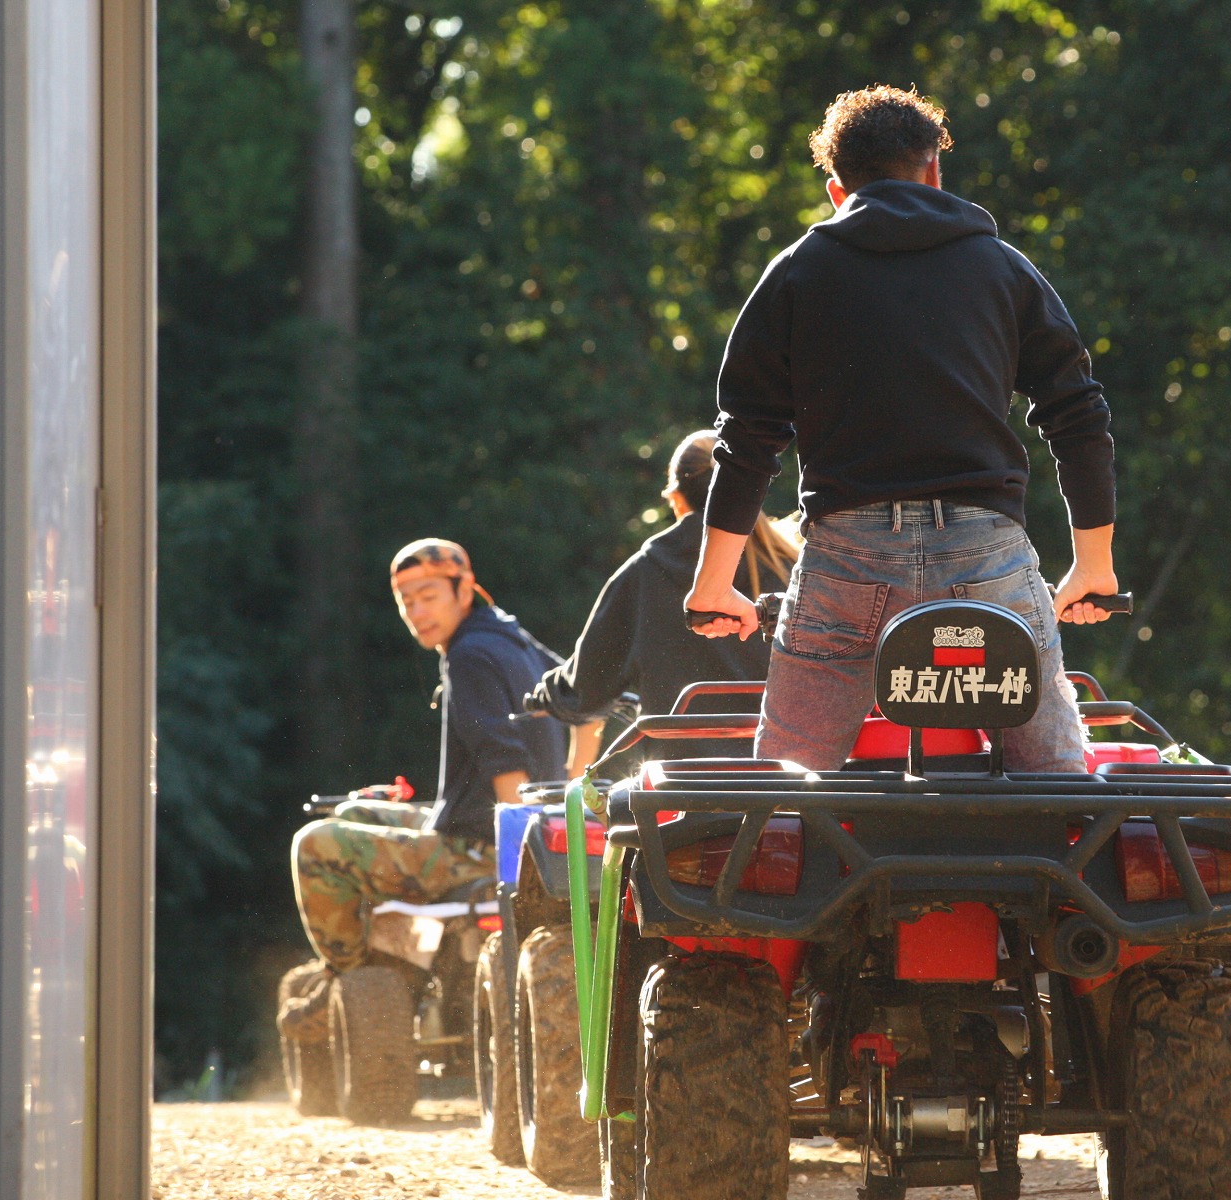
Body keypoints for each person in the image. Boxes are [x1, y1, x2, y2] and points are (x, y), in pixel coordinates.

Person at [686, 85, 1118, 772]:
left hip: (845, 560)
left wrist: (713, 585)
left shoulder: (796, 273)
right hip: (987, 556)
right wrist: (1093, 567)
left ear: (836, 191)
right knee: (1057, 783)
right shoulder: (1004, 269)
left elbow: (748, 439)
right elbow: (1078, 415)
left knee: (786, 788)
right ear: (934, 171)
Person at [278, 539, 568, 1040]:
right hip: (504, 826)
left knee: (315, 845)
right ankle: (387, 961)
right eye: (406, 601)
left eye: (429, 596)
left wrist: (520, 863)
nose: (416, 612)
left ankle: (351, 979)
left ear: (463, 590)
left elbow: (504, 759)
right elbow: (585, 707)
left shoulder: (469, 656)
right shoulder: (514, 639)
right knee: (356, 812)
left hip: (489, 847)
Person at [527, 430, 797, 768]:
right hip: (784, 778)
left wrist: (546, 697)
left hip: (679, 786)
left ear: (676, 499)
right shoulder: (793, 569)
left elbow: (586, 687)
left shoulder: (645, 573)